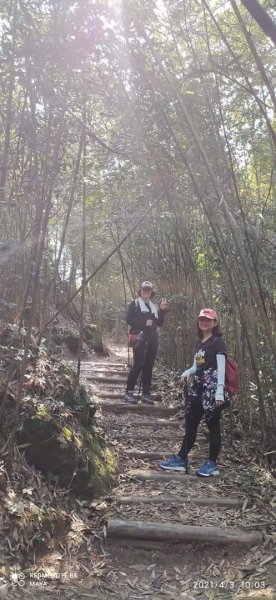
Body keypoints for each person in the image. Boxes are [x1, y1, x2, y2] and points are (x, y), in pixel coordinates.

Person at [160, 308, 230, 477]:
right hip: (198, 389)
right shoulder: (201, 343)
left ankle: (212, 463)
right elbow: (196, 367)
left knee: (213, 426)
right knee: (191, 424)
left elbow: (222, 368)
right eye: (201, 319)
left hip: (212, 390)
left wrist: (219, 391)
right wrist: (187, 373)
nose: (204, 322)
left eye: (208, 319)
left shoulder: (217, 342)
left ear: (215, 322)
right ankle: (182, 459)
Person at [125, 281, 168, 405]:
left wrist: (162, 310)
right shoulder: (135, 304)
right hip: (139, 337)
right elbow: (129, 319)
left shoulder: (153, 306)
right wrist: (144, 323)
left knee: (148, 365)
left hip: (152, 338)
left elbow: (159, 323)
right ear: (141, 291)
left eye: (148, 290)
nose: (146, 292)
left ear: (151, 292)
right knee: (138, 364)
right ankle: (129, 392)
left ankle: (146, 394)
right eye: (144, 290)